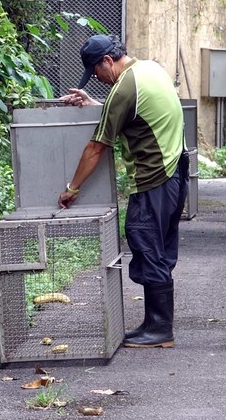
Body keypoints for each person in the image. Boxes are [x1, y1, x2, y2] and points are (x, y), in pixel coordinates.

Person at [58, 34, 189, 348]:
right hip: (175, 174)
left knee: (145, 242)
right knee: (157, 246)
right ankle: (154, 324)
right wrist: (94, 104)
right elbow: (134, 111)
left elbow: (96, 147)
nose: (98, 79)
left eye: (97, 72)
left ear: (106, 61)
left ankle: (159, 330)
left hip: (154, 177)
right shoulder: (148, 70)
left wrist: (71, 188)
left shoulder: (124, 87)